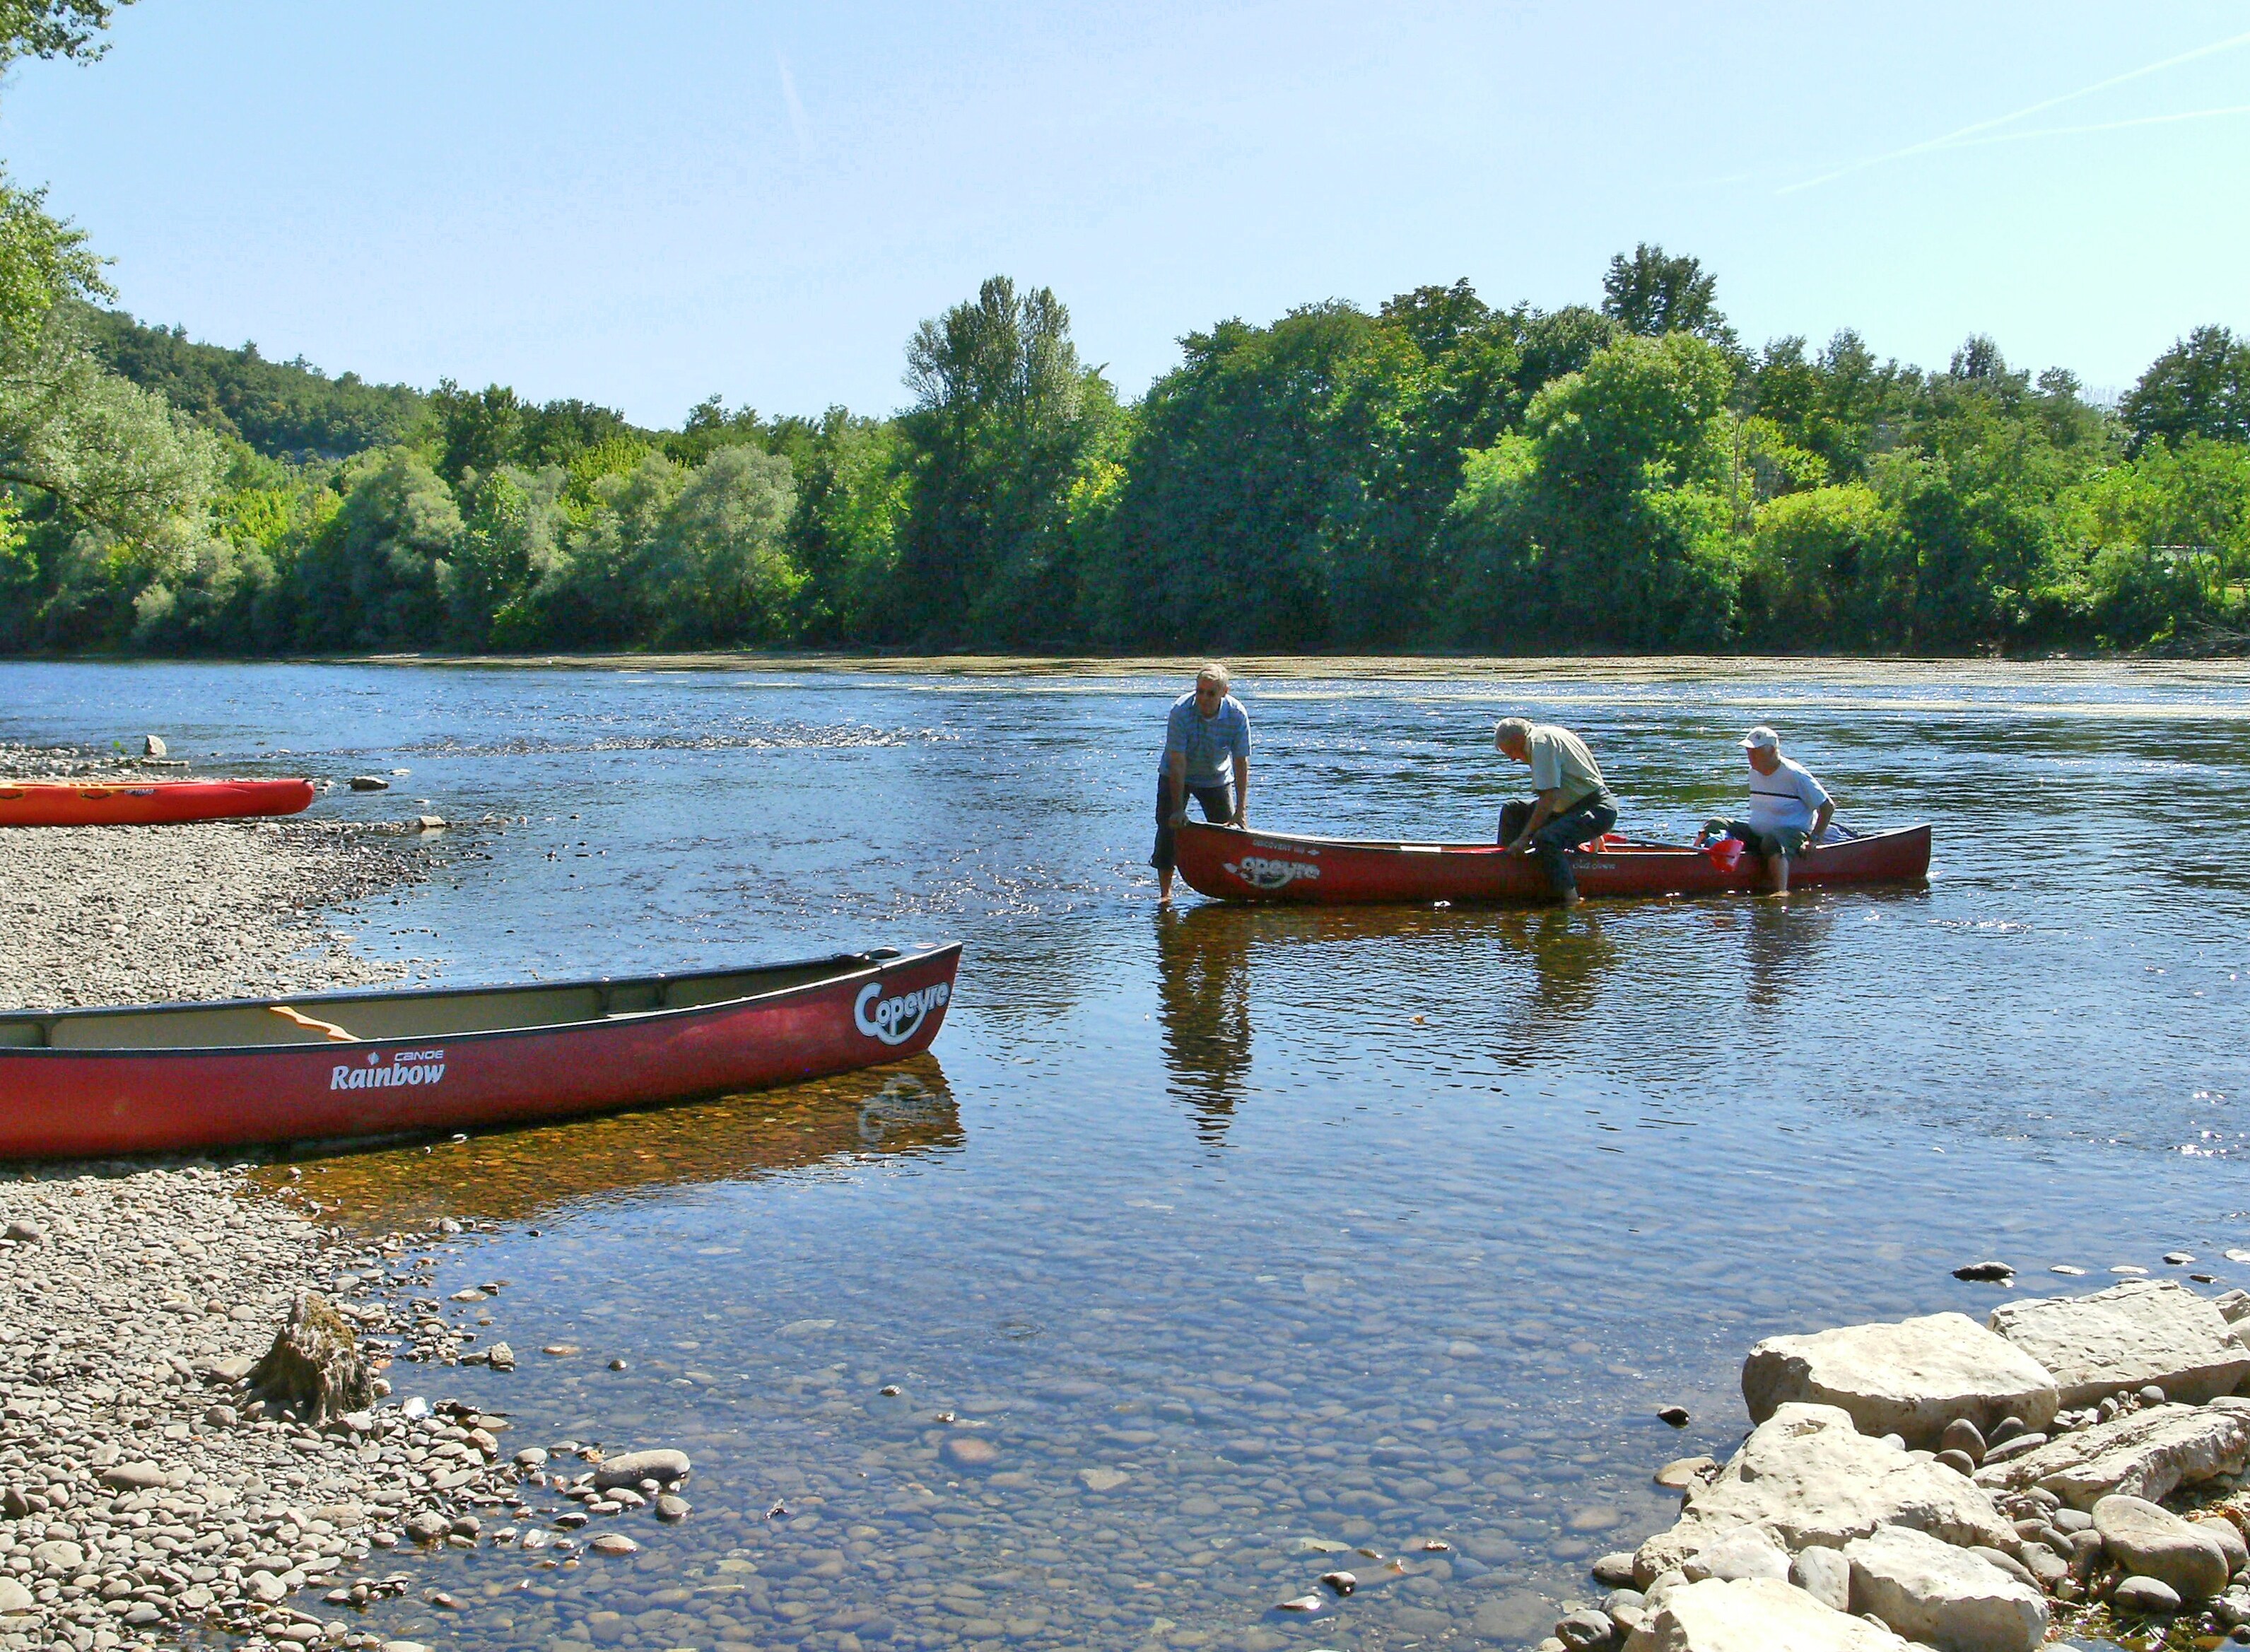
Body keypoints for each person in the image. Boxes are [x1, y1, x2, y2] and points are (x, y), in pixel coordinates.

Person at [1695, 724, 1834, 895]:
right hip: (1757, 833)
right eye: (1748, 751)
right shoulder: (1753, 772)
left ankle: (1780, 892)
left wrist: (1814, 840)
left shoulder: (1796, 775)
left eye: (1756, 751)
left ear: (1772, 751)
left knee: (1771, 841)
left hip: (1790, 835)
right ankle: (1698, 861)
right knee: (1715, 824)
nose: (1750, 756)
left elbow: (1827, 807)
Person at [1493, 717, 1617, 907]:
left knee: (1545, 839)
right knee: (1513, 810)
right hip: (1577, 806)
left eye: (1510, 751)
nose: (1512, 758)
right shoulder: (1549, 733)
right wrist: (1595, 835)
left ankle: (1571, 899)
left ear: (1518, 738)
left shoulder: (1540, 743)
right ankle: (1508, 870)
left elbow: (1549, 798)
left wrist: (1525, 838)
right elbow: (1583, 779)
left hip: (1596, 809)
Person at [1152, 664, 1250, 903]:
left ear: (1224, 692)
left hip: (1216, 777)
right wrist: (1178, 809)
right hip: (1176, 774)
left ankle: (1229, 888)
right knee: (1168, 829)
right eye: (1200, 691)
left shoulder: (1237, 714)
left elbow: (1241, 761)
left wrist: (1241, 810)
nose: (1204, 698)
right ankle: (1166, 895)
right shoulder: (1181, 711)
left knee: (1229, 834)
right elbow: (1178, 762)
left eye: (1210, 693)